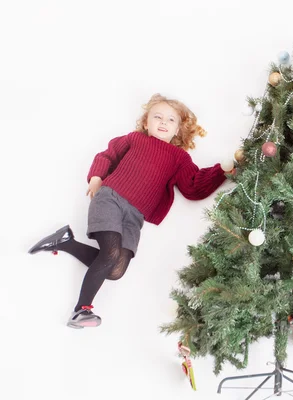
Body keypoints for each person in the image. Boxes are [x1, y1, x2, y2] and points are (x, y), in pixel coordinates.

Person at [28, 93, 232, 328]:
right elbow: (107, 154)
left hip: (135, 217)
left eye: (171, 120)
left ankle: (65, 241)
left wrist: (223, 171)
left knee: (115, 270)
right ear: (146, 123)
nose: (163, 122)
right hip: (110, 199)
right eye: (158, 117)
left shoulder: (180, 158)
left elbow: (193, 186)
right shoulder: (135, 139)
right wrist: (96, 177)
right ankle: (81, 310)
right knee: (110, 254)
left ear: (178, 130)